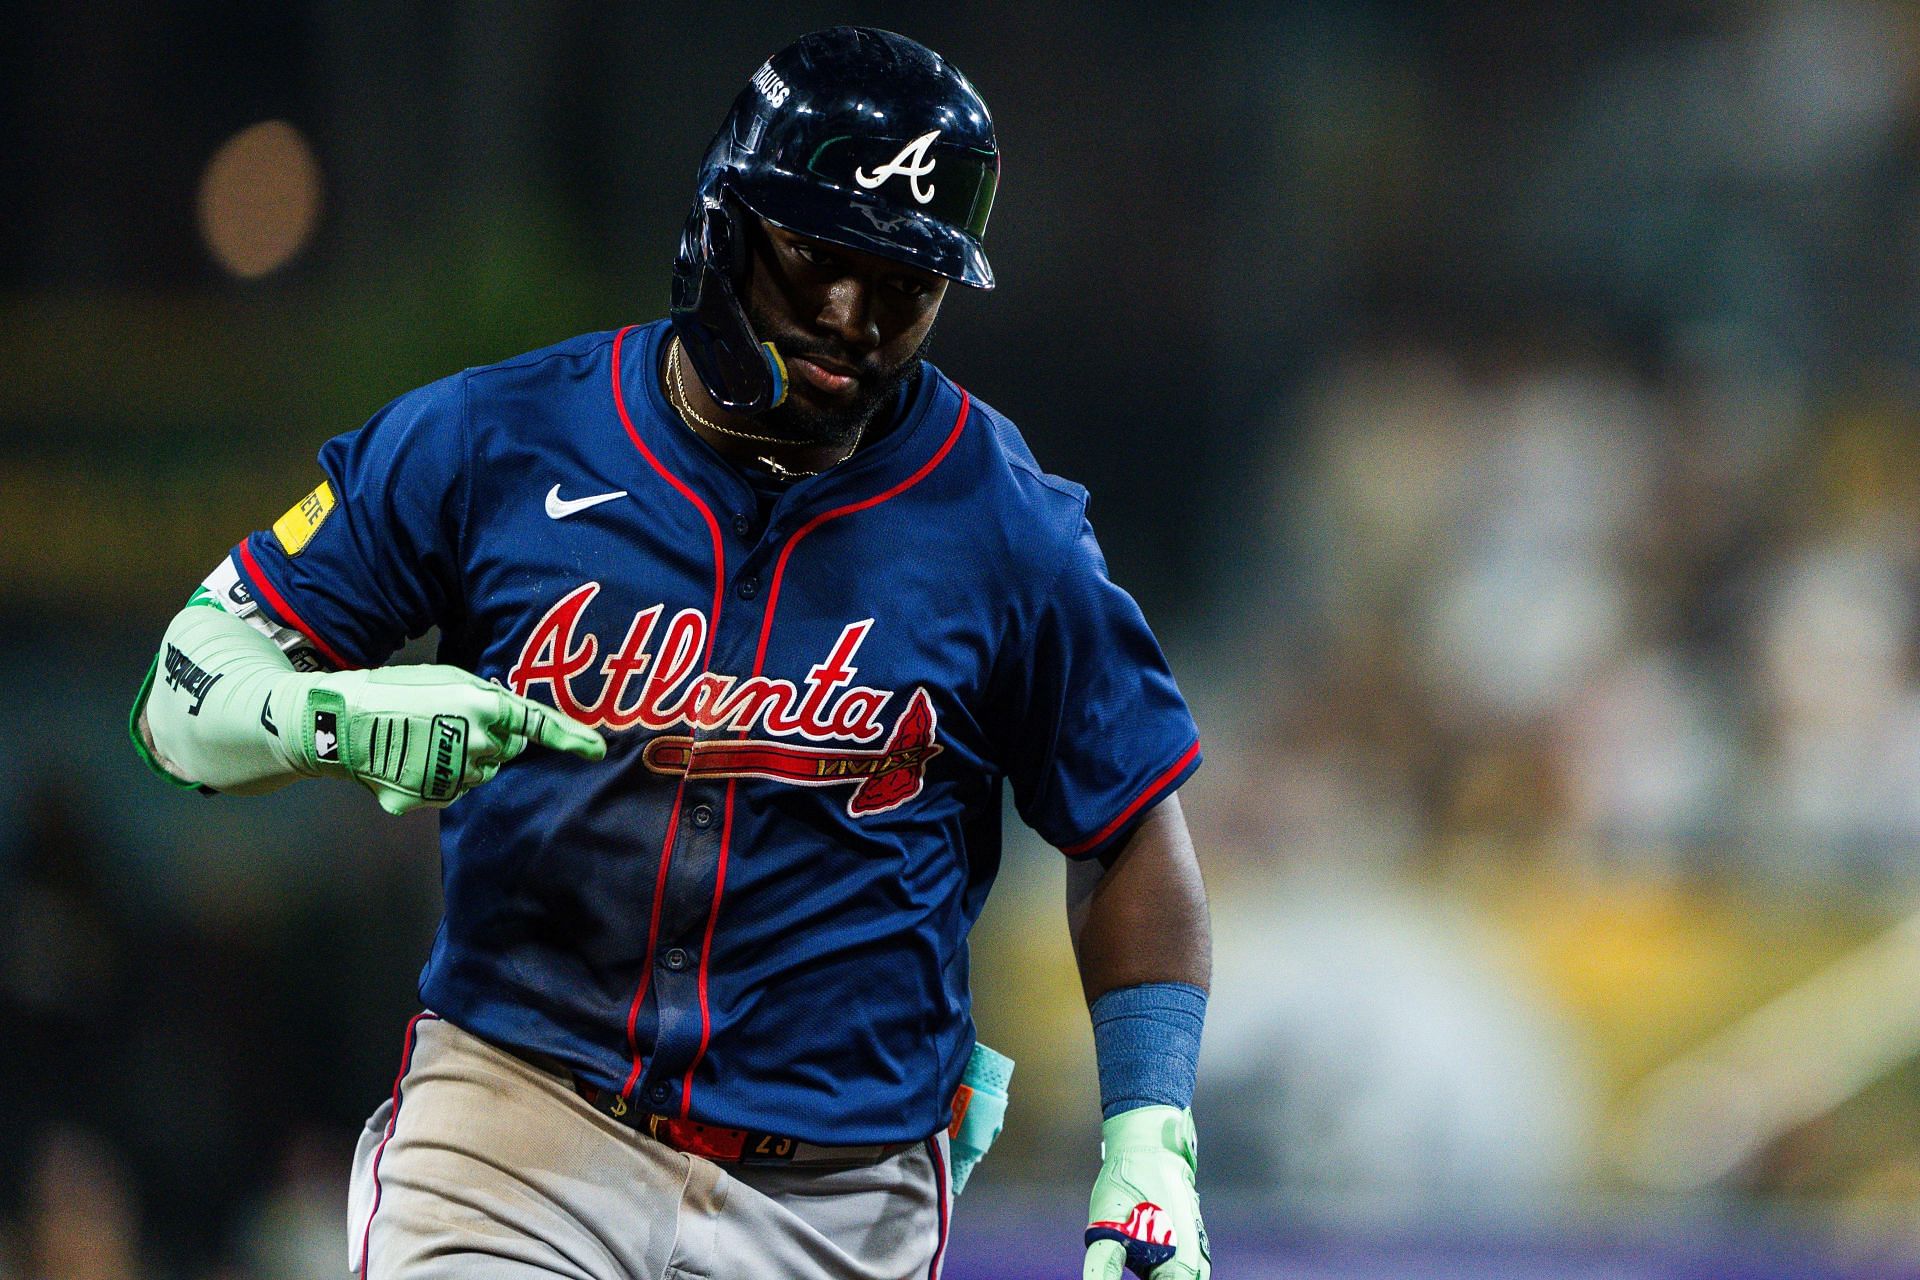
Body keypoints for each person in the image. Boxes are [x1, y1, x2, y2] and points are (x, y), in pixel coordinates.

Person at [131, 26, 1210, 1280]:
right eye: (819, 256)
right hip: (519, 1132)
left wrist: (1151, 1137)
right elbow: (180, 687)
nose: (854, 315)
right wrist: (330, 715)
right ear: (725, 224)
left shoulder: (1007, 521)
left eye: (906, 283)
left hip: (837, 1191)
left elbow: (1130, 822)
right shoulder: (500, 437)